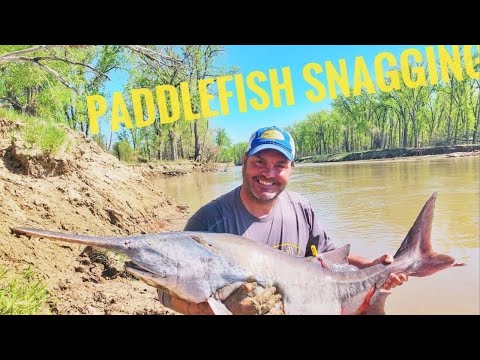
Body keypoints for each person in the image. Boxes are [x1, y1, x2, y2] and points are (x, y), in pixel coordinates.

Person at [158, 126, 408, 315]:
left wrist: (373, 266)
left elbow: (328, 255)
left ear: (291, 169)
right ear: (244, 162)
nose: (268, 173)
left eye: (279, 165)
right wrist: (212, 310)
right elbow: (165, 291)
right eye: (259, 162)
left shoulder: (301, 207)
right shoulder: (209, 221)